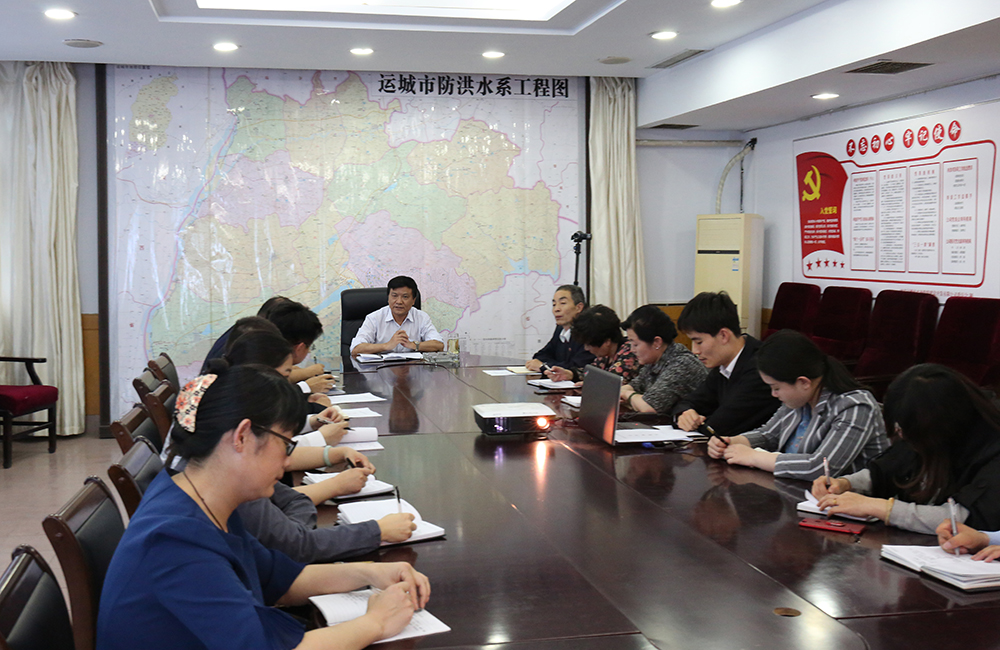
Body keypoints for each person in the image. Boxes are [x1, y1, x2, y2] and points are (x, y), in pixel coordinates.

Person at [97, 364, 431, 650]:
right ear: (242, 436)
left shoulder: (200, 495)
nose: (287, 461)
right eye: (285, 444)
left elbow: (280, 578)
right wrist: (376, 622)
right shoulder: (176, 540)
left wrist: (372, 573)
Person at [812, 363, 1000, 534]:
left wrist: (882, 508)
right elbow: (892, 466)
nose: (901, 436)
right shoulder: (931, 425)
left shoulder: (991, 445)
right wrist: (847, 483)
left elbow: (965, 519)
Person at [709, 329, 888, 481]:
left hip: (849, 502)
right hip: (799, 493)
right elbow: (769, 435)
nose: (773, 394)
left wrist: (754, 457)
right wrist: (734, 442)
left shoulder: (855, 407)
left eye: (776, 388)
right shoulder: (800, 399)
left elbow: (821, 468)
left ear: (803, 382)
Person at [672, 292, 780, 437]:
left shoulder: (761, 368)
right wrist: (684, 414)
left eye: (699, 342)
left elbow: (720, 427)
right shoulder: (722, 366)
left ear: (723, 335)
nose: (695, 351)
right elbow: (690, 401)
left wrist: (696, 422)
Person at [618, 305, 707, 415]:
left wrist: (628, 395)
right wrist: (624, 393)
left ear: (657, 342)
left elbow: (650, 407)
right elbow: (636, 385)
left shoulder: (681, 364)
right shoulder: (654, 360)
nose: (632, 350)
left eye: (635, 344)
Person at [545, 305, 639, 384]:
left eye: (589, 345)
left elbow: (609, 383)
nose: (586, 348)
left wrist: (588, 384)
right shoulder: (605, 355)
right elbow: (591, 373)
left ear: (607, 341)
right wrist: (570, 374)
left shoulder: (630, 353)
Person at [350, 276, 444, 355]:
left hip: (413, 369)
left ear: (413, 300)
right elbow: (355, 349)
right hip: (381, 369)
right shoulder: (374, 318)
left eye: (405, 297)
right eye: (394, 296)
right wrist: (386, 346)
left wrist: (413, 345)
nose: (399, 301)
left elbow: (439, 345)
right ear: (388, 298)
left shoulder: (421, 317)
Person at [525, 285, 596, 372]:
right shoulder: (560, 329)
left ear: (579, 307)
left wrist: (544, 366)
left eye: (562, 303)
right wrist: (551, 364)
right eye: (554, 304)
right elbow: (541, 355)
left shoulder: (589, 331)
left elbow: (578, 366)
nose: (556, 309)